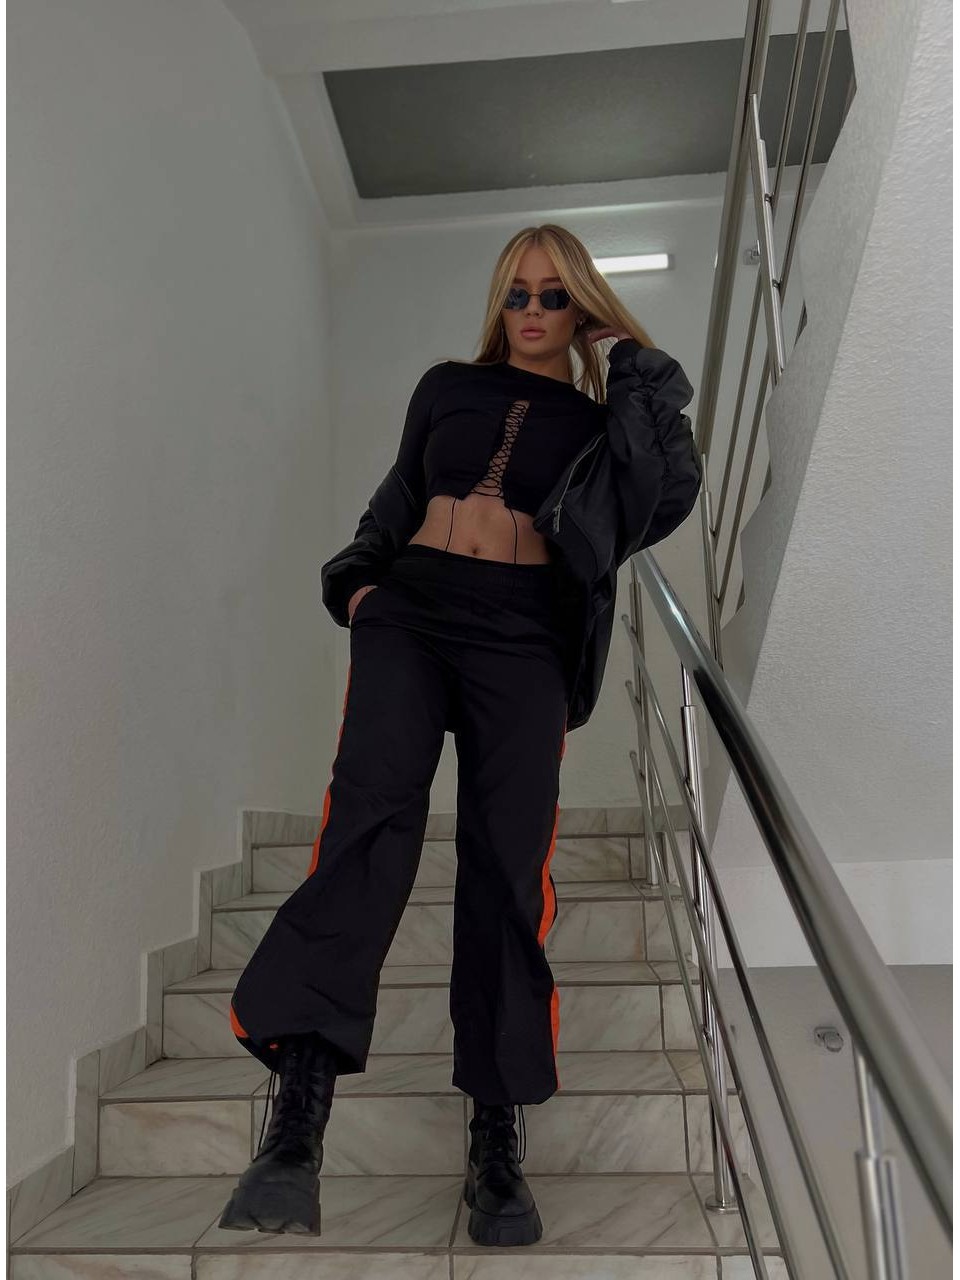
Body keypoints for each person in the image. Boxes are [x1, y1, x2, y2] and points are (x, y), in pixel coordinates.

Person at [218, 223, 701, 1247]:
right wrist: (360, 584)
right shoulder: (445, 386)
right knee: (369, 824)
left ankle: (494, 1134)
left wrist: (627, 358)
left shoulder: (601, 420)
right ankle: (296, 1122)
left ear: (583, 305)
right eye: (518, 293)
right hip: (415, 610)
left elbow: (661, 494)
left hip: (525, 635)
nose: (533, 311)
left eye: (556, 295)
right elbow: (399, 494)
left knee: (505, 867)